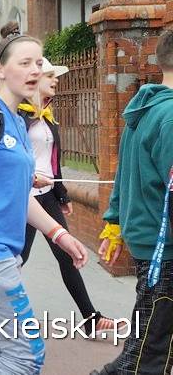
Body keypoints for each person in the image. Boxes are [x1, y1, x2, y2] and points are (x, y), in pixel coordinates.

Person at [0, 34, 89, 374]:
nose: (34, 70)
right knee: (26, 353)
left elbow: (20, 197)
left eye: (39, 63)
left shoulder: (18, 122)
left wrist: (60, 235)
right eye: (24, 63)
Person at [19, 58, 123, 337]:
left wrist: (61, 193)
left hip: (47, 196)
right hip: (23, 200)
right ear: (34, 79)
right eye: (50, 76)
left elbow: (53, 162)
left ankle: (91, 318)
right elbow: (10, 161)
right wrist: (28, 177)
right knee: (15, 259)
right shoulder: (18, 116)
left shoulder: (47, 115)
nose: (55, 81)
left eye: (56, 77)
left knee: (68, 254)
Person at [90, 31, 173, 375]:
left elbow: (122, 177)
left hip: (149, 239)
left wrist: (114, 225)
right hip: (164, 248)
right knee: (148, 353)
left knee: (153, 340)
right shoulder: (169, 117)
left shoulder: (144, 110)